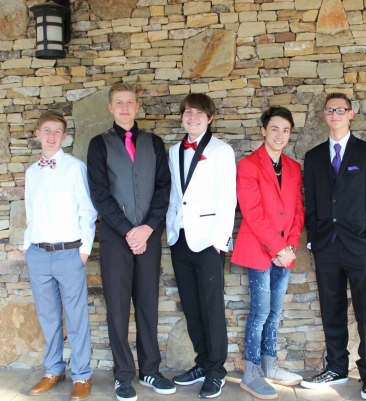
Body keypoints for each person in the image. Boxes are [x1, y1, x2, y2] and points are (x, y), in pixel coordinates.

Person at [87, 83, 173, 401]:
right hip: (115, 237)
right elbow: (99, 193)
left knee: (148, 303)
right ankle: (123, 375)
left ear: (137, 106)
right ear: (110, 108)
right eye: (119, 103)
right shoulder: (99, 144)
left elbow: (163, 188)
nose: (125, 107)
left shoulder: (154, 143)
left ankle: (150, 369)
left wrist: (147, 228)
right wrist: (128, 230)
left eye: (130, 102)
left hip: (149, 236)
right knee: (118, 307)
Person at [302, 93, 366, 400]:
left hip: (360, 246)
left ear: (351, 114)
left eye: (341, 109)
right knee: (331, 310)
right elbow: (311, 201)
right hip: (327, 245)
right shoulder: (313, 157)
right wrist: (313, 239)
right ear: (324, 115)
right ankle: (336, 367)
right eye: (330, 110)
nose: (335, 114)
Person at [231, 107, 305, 400]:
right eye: (274, 129)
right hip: (259, 251)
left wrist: (290, 247)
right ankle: (251, 373)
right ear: (263, 130)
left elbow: (298, 211)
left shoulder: (294, 168)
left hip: (285, 253)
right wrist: (278, 249)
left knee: (275, 312)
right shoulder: (249, 165)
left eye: (285, 130)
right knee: (260, 312)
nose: (280, 135)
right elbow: (252, 212)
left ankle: (270, 365)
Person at [166, 93, 236, 399]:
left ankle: (216, 371)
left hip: (209, 240)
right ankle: (203, 363)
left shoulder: (221, 150)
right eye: (188, 112)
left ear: (210, 118)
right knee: (192, 307)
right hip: (180, 238)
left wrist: (220, 241)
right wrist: (171, 228)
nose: (192, 117)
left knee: (211, 308)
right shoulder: (174, 151)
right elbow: (175, 194)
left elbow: (228, 198)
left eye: (198, 113)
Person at [23, 110, 97, 400]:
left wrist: (84, 250)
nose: (51, 136)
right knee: (48, 317)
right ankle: (54, 370)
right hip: (38, 254)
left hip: (69, 253)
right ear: (38, 134)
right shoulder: (32, 172)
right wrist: (27, 247)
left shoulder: (75, 168)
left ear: (64, 136)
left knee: (76, 318)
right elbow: (30, 212)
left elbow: (87, 211)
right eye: (47, 130)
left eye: (57, 131)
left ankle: (82, 375)